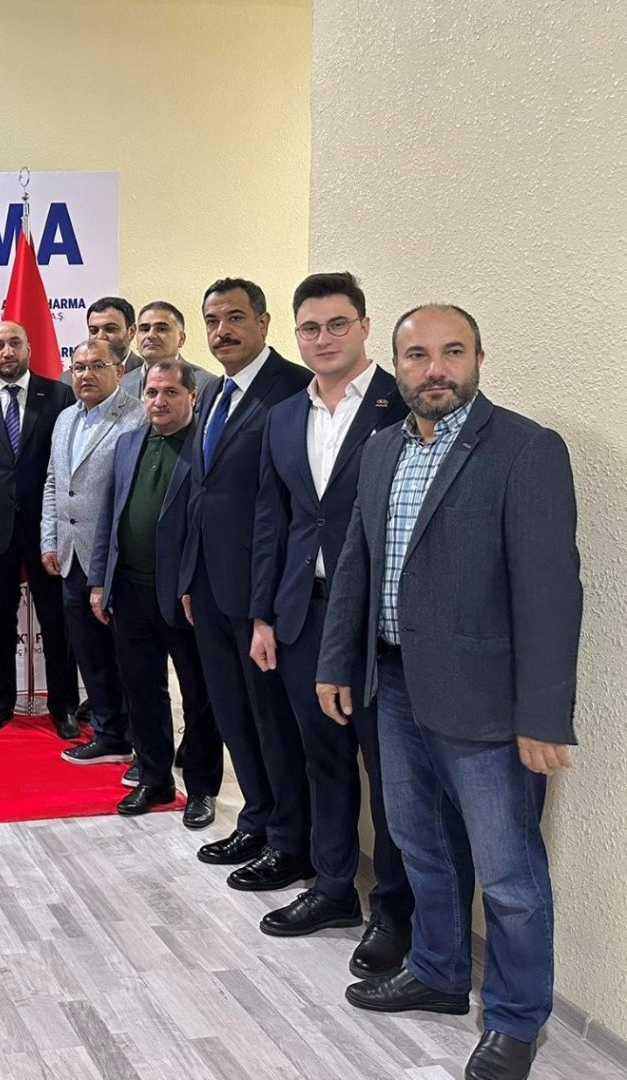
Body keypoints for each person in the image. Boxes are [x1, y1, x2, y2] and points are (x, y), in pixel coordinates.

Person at [319, 304, 582, 1080]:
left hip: (487, 703)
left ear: (477, 358)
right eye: (416, 355)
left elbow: (549, 592)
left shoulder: (524, 449)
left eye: (451, 352)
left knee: (507, 874)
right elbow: (356, 563)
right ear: (395, 364)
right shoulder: (379, 450)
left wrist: (543, 715)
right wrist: (335, 662)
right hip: (393, 684)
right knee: (418, 844)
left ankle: (515, 1019)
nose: (434, 369)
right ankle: (436, 971)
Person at [247, 273, 414, 977]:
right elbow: (273, 519)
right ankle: (334, 887)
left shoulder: (401, 404)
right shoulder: (285, 415)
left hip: (378, 623)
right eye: (310, 328)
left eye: (337, 324)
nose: (323, 338)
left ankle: (395, 911)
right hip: (301, 614)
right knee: (322, 759)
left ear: (365, 326)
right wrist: (263, 613)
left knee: (390, 772)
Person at [180, 277, 314, 889]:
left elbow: (285, 506)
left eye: (235, 317)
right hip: (210, 585)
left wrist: (265, 603)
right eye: (212, 320)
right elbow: (200, 491)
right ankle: (256, 819)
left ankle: (290, 841)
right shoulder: (213, 391)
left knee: (271, 721)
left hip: (261, 589)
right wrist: (190, 576)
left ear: (263, 322)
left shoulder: (292, 389)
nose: (222, 331)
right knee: (233, 713)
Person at [90, 359, 222, 827]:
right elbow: (110, 515)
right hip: (129, 592)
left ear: (192, 397)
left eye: (170, 392)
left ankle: (201, 788)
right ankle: (154, 777)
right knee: (142, 690)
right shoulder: (128, 443)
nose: (159, 401)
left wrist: (196, 586)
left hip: (184, 597)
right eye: (151, 392)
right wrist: (99, 580)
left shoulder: (207, 446)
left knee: (199, 696)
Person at [0, 321, 79, 735]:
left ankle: (63, 706)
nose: (7, 351)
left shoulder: (59, 395)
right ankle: (1, 701)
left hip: (47, 529)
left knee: (56, 622)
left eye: (14, 343)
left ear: (28, 348)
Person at [40, 338, 146, 757]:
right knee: (90, 653)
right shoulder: (65, 418)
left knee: (129, 657)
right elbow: (54, 481)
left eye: (96, 366)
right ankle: (108, 734)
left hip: (119, 561)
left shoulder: (137, 416)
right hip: (71, 556)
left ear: (118, 371)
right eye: (78, 367)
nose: (85, 375)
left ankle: (143, 743)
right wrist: (49, 539)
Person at [119, 301, 217, 401]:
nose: (150, 335)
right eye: (144, 329)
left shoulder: (206, 385)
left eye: (161, 329)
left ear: (181, 339)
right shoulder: (121, 384)